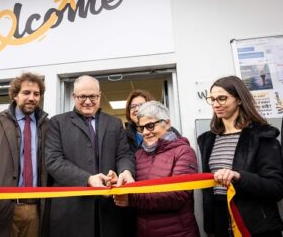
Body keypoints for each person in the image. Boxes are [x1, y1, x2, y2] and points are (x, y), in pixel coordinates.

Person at [45, 75, 135, 237]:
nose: (88, 101)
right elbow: (53, 161)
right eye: (82, 96)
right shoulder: (57, 123)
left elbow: (124, 155)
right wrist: (87, 179)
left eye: (92, 96)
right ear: (74, 96)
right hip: (71, 212)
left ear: (99, 95)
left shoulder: (114, 123)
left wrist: (125, 172)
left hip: (109, 211)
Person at [198, 75, 283, 237]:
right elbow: (209, 190)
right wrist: (211, 227)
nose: (216, 104)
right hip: (221, 223)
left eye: (222, 98)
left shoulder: (262, 136)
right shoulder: (207, 140)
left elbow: (276, 188)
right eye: (212, 99)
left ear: (239, 99)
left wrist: (239, 176)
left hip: (255, 225)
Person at [0, 73, 49, 237]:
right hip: (2, 210)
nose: (32, 98)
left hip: (37, 211)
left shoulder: (47, 125)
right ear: (15, 95)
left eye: (36, 94)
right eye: (26, 92)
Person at [114, 101, 200, 237]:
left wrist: (131, 200)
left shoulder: (184, 152)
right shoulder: (138, 155)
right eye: (141, 128)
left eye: (150, 126)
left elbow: (178, 195)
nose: (146, 133)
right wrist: (116, 183)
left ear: (167, 123)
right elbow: (132, 187)